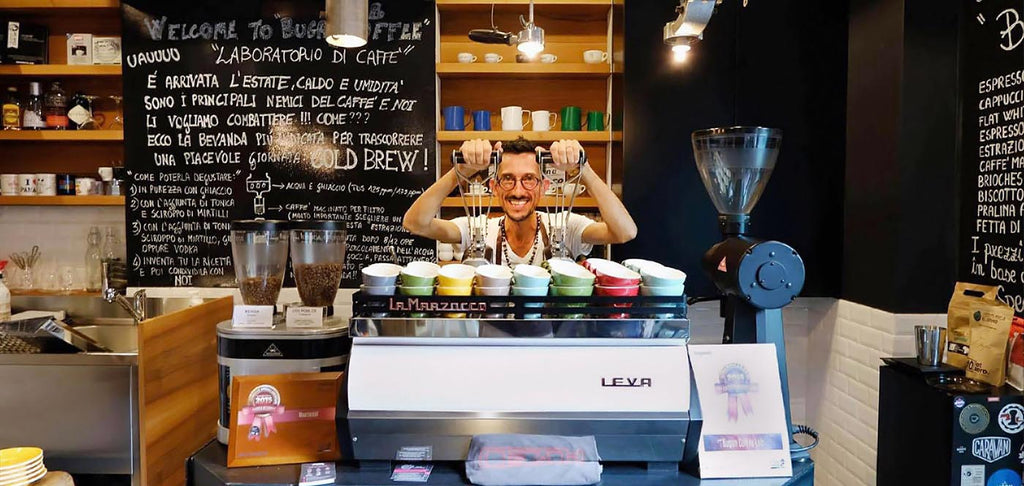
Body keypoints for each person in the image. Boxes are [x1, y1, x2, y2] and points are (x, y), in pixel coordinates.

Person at [403, 137, 637, 266]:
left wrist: (583, 168)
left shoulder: (565, 227)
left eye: (528, 179)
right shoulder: (479, 229)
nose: (518, 190)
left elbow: (625, 232)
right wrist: (461, 169)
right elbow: (416, 223)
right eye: (507, 179)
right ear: (493, 187)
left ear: (544, 187)